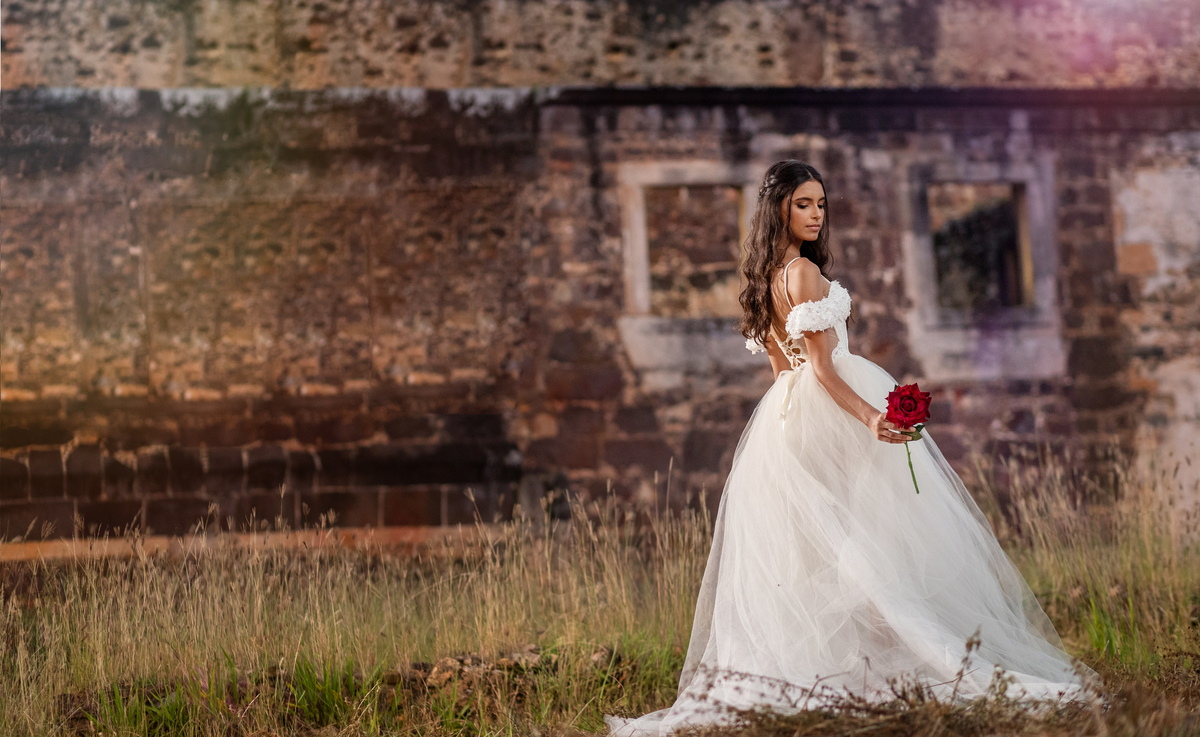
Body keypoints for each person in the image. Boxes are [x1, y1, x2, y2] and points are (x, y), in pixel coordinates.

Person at [605, 160, 1091, 735]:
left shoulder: (766, 280)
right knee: (868, 540)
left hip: (786, 421)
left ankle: (838, 665)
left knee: (825, 547)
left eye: (821, 204)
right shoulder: (803, 277)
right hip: (829, 410)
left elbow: (781, 372)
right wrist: (870, 418)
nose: (815, 215)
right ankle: (899, 657)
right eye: (803, 204)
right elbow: (822, 369)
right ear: (779, 209)